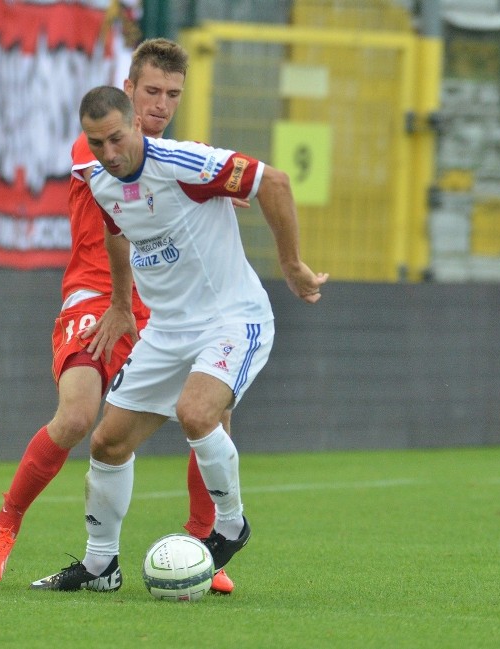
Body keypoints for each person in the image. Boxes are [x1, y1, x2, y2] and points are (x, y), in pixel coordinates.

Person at [30, 85, 328, 591]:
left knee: (196, 412)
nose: (108, 153)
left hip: (232, 318)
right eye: (96, 143)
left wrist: (291, 264)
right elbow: (115, 230)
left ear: (137, 126)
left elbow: (272, 182)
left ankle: (231, 526)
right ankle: (101, 567)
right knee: (106, 443)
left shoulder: (185, 163)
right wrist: (122, 305)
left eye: (116, 139)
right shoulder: (103, 182)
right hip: (166, 331)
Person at [0, 39, 239, 593]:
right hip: (97, 297)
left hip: (161, 309)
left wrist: (215, 187)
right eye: (151, 91)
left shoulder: (186, 157)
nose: (161, 104)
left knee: (211, 416)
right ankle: (5, 523)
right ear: (128, 89)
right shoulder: (97, 147)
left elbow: (212, 184)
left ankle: (201, 547)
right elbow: (130, 186)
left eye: (173, 94)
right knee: (76, 417)